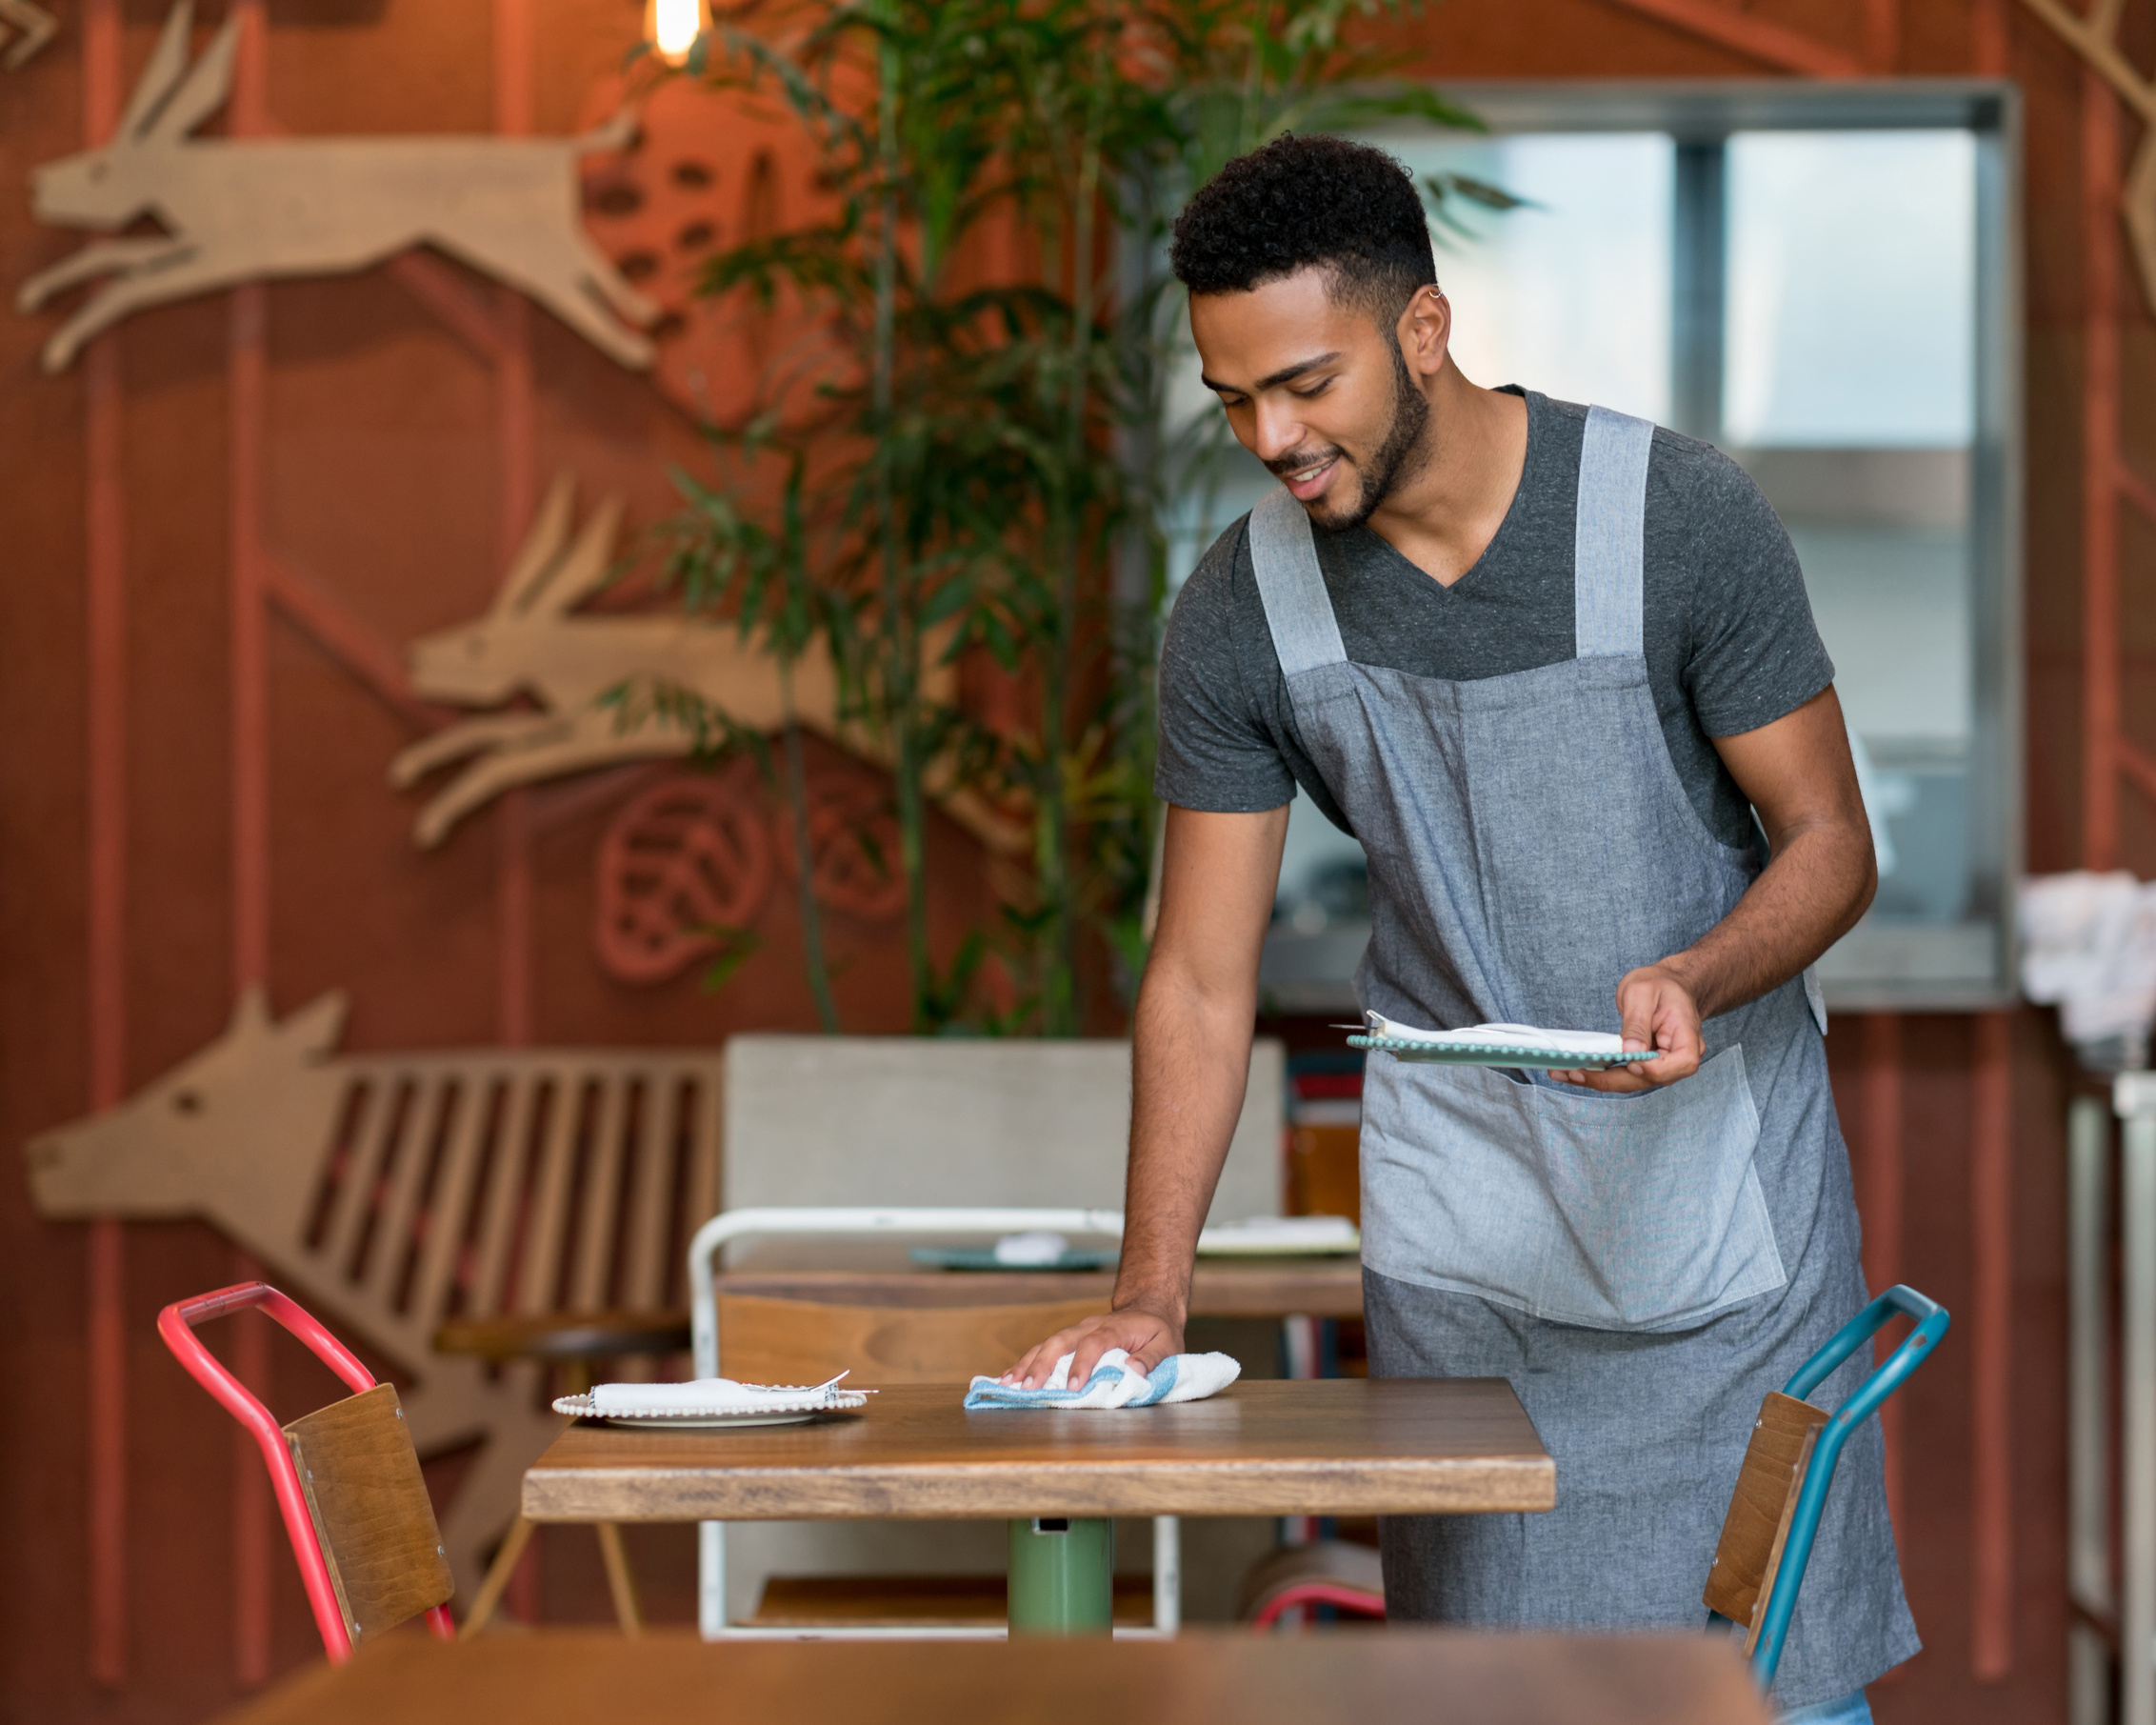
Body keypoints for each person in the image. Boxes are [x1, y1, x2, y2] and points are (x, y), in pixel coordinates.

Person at [1001, 133, 1913, 1720]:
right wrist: (1153, 1290)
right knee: (1492, 1696)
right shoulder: (1242, 609)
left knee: (1770, 1692)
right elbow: (1203, 982)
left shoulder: (1674, 519)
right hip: (1471, 1257)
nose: (1269, 436)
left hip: (1720, 1237)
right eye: (1231, 400)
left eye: (1305, 384)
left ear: (1423, 328)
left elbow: (1833, 843)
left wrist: (1702, 973)